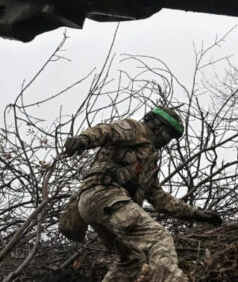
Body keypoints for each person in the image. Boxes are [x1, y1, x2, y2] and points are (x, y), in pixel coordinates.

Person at [63, 106, 222, 282]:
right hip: (103, 194)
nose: (168, 140)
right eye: (168, 133)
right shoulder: (136, 129)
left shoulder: (150, 158)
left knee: (133, 258)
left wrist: (195, 214)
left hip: (98, 204)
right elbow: (107, 131)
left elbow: (158, 197)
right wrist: (83, 139)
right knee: (159, 238)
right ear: (156, 125)